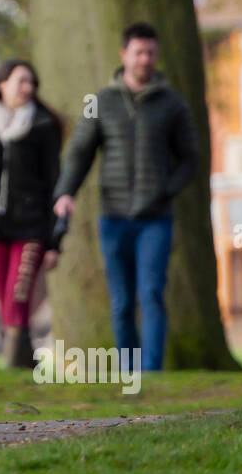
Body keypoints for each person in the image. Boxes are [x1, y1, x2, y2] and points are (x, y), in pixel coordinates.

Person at [51, 21, 198, 372]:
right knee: (120, 301)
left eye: (150, 53)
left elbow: (190, 158)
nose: (145, 59)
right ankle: (129, 371)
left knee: (150, 294)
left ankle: (153, 371)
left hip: (155, 219)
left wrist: (166, 190)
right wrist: (65, 193)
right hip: (113, 216)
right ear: (124, 55)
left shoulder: (172, 104)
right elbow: (80, 153)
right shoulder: (101, 102)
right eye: (138, 52)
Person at [0, 60, 64, 368]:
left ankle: (14, 361)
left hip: (31, 228)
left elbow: (54, 186)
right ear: (1, 85)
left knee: (18, 293)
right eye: (21, 81)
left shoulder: (43, 126)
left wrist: (55, 241)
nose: (28, 88)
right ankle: (21, 358)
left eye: (32, 83)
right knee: (5, 299)